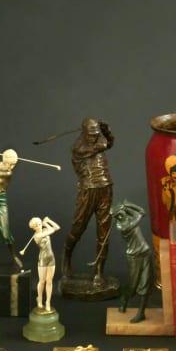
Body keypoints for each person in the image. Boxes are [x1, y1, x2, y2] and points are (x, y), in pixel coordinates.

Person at [62, 118, 114, 287]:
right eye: (91, 134)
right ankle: (66, 256)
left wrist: (106, 130)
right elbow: (99, 147)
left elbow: (109, 142)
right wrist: (103, 138)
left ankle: (99, 272)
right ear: (84, 133)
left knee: (104, 232)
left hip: (105, 187)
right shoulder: (78, 147)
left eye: (96, 134)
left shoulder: (100, 139)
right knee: (78, 227)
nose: (94, 137)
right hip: (89, 189)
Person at [111, 200, 154, 323]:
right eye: (117, 216)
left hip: (146, 252)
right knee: (132, 285)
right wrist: (127, 207)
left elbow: (142, 211)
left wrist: (128, 205)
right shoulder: (122, 227)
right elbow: (140, 215)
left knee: (145, 284)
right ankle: (124, 300)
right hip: (134, 257)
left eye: (121, 213)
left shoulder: (129, 217)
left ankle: (141, 313)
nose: (120, 216)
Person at [25, 216, 60, 312]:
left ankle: (48, 302)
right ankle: (39, 299)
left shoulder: (44, 230)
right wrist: (46, 223)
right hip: (43, 260)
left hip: (51, 258)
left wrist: (49, 221)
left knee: (49, 281)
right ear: (33, 228)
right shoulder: (36, 236)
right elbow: (52, 231)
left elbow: (57, 227)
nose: (39, 226)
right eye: (36, 226)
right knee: (42, 281)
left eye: (39, 224)